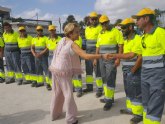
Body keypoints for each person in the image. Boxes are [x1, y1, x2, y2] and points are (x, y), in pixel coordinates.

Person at [49, 23, 108, 124]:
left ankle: (55, 114)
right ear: (70, 33)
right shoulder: (72, 44)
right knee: (68, 94)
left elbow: (56, 53)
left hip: (55, 69)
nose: (79, 34)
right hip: (63, 71)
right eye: (76, 32)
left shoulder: (62, 40)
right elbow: (85, 56)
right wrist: (101, 56)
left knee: (57, 92)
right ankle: (71, 119)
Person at [131, 8, 165, 124]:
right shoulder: (142, 37)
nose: (136, 22)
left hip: (158, 77)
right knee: (146, 104)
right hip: (145, 76)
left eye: (138, 19)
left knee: (155, 107)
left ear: (146, 19)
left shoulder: (160, 33)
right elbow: (135, 54)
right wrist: (115, 55)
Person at [108, 18, 143, 123]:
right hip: (126, 69)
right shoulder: (126, 39)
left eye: (123, 28)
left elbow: (139, 57)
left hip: (134, 70)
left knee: (136, 91)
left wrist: (133, 71)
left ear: (131, 27)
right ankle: (130, 109)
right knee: (128, 90)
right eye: (121, 28)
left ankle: (138, 113)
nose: (122, 30)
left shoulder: (137, 38)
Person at [95, 15, 124, 111]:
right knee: (104, 78)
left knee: (110, 78)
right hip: (101, 59)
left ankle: (109, 101)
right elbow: (98, 47)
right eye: (102, 23)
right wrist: (95, 58)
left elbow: (120, 45)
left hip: (111, 59)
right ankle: (108, 97)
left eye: (105, 23)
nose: (104, 25)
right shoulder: (101, 33)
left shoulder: (115, 31)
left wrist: (118, 58)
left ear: (108, 22)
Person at [84, 12, 103, 97]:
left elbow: (99, 44)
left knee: (97, 71)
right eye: (92, 19)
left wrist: (96, 57)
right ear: (89, 20)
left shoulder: (100, 28)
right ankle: (89, 87)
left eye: (95, 19)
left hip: (95, 53)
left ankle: (99, 89)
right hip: (88, 53)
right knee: (88, 71)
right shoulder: (87, 29)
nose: (94, 20)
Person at [46, 25, 62, 90]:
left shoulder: (60, 39)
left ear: (55, 31)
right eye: (51, 30)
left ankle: (59, 84)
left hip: (58, 57)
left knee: (58, 71)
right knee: (50, 70)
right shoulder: (47, 39)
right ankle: (50, 84)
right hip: (50, 56)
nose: (52, 31)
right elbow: (47, 48)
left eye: (53, 30)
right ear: (49, 31)